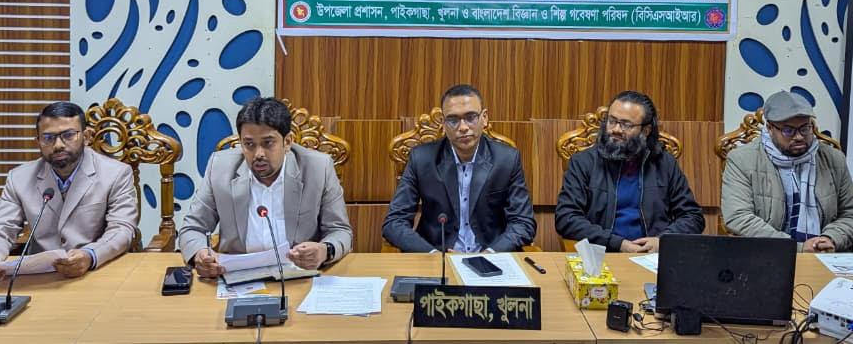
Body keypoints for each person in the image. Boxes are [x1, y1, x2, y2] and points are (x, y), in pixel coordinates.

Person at [179, 97, 353, 277]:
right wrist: (200, 254)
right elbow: (192, 228)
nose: (258, 154)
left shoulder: (318, 168)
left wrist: (325, 250)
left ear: (287, 142)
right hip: (237, 276)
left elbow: (340, 231)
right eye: (249, 144)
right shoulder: (220, 168)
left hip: (298, 276)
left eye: (268, 143)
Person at [0, 102, 138, 283]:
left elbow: (122, 229)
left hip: (97, 273)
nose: (58, 145)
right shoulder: (19, 178)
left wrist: (90, 255)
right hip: (41, 278)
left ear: (86, 136)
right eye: (48, 137)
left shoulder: (116, 173)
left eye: (68, 135)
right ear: (38, 142)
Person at [382, 84, 536, 252]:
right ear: (443, 123)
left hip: (491, 258)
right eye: (453, 120)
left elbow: (523, 223)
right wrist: (433, 255)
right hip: (436, 258)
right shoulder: (422, 159)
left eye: (471, 117)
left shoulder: (506, 159)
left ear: (484, 118)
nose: (463, 127)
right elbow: (394, 223)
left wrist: (489, 254)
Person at [555, 91, 704, 253]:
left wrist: (662, 240)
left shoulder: (665, 164)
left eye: (626, 125)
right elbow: (566, 218)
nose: (616, 129)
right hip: (603, 254)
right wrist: (618, 244)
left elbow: (693, 216)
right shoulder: (583, 162)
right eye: (612, 121)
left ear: (646, 130)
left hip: (653, 256)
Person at [721, 91, 853, 253]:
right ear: (770, 128)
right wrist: (796, 248)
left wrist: (830, 238)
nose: (799, 137)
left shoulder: (833, 159)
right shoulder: (742, 160)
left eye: (805, 128)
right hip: (768, 254)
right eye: (788, 130)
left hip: (825, 255)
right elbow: (738, 217)